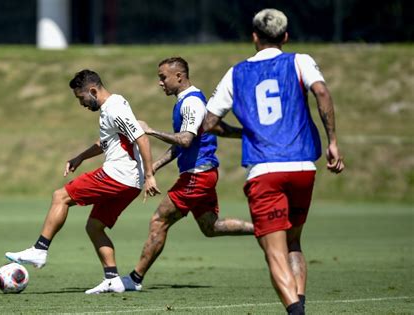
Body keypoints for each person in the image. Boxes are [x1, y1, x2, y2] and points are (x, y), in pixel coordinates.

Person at [202, 9, 344, 315]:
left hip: (265, 171)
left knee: (274, 252)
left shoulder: (236, 73)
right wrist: (332, 141)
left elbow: (209, 122)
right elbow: (321, 92)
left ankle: (295, 312)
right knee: (293, 242)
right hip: (303, 168)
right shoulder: (300, 60)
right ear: (286, 37)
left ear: (254, 37)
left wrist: (245, 133)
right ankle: (300, 303)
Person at [5, 69, 160, 295]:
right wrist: (80, 157)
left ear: (93, 90)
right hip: (129, 184)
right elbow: (105, 143)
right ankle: (112, 279)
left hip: (117, 175)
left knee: (61, 196)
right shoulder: (113, 105)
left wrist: (150, 175)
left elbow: (142, 138)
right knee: (94, 226)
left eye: (81, 98)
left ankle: (40, 249)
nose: (81, 104)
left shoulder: (114, 107)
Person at [116, 57, 254, 292]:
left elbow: (186, 139)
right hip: (202, 173)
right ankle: (263, 227)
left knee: (159, 220)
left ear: (179, 76)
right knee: (211, 227)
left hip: (196, 176)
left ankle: (134, 279)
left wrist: (149, 130)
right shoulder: (185, 102)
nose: (160, 83)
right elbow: (181, 145)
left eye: (163, 77)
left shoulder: (192, 103)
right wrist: (154, 167)